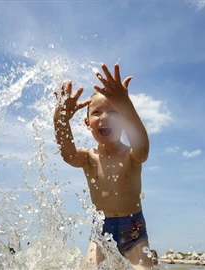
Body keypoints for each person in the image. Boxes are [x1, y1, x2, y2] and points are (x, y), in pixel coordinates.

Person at [54, 63, 152, 269]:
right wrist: (60, 119)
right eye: (97, 112)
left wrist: (125, 104)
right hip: (101, 229)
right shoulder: (88, 157)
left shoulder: (131, 155)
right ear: (87, 123)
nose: (105, 117)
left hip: (133, 227)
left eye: (115, 113)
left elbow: (143, 147)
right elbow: (68, 155)